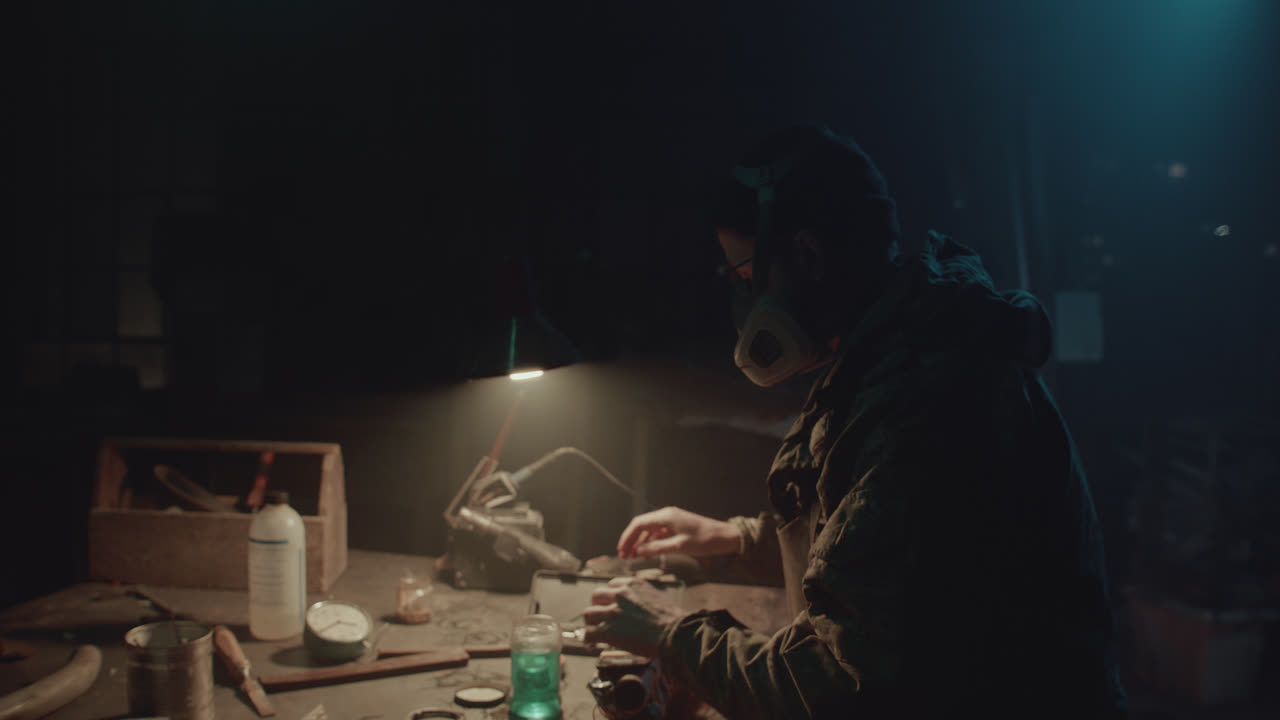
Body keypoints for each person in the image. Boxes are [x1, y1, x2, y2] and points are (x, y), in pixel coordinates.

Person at [582, 126, 1127, 718]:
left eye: (744, 279)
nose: (742, 305)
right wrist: (738, 539)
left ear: (808, 256)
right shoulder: (900, 353)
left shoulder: (928, 406)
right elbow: (884, 556)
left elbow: (835, 690)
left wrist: (672, 634)